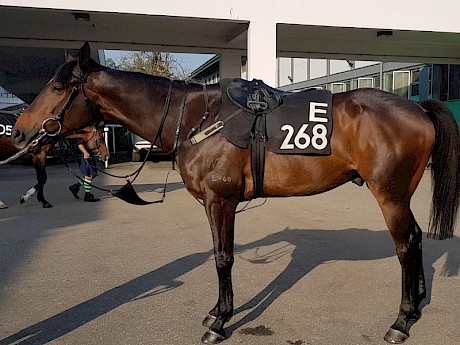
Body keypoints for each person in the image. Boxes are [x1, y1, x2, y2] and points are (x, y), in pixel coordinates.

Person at [68, 137, 100, 202]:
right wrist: (85, 152)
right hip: (84, 155)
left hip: (89, 154)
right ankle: (87, 195)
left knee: (93, 174)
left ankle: (75, 187)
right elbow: (79, 143)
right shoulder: (84, 131)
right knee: (89, 175)